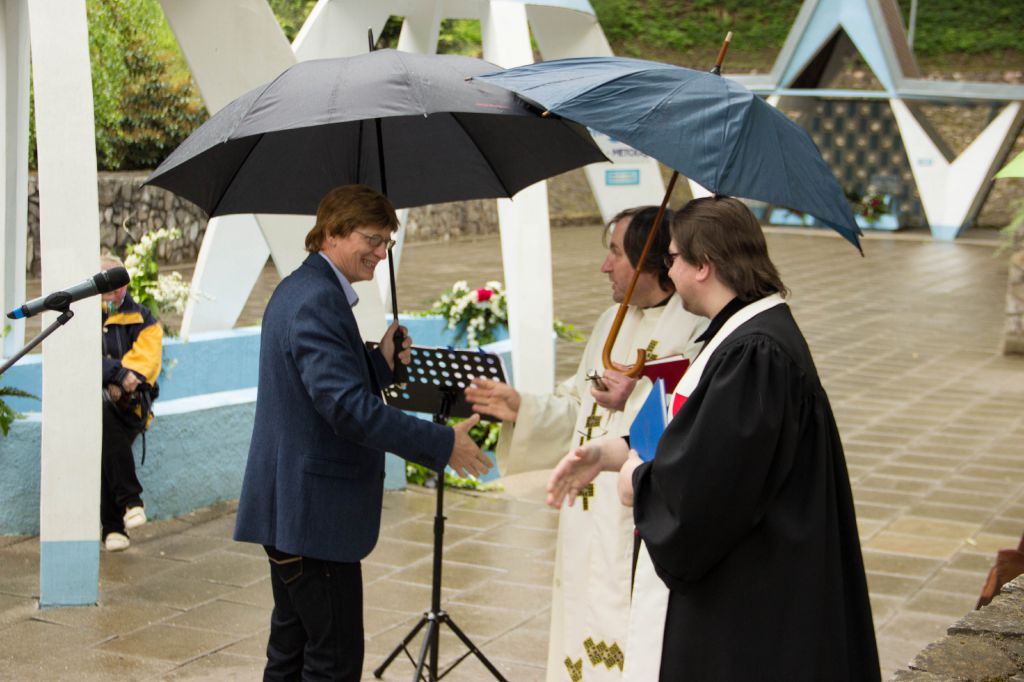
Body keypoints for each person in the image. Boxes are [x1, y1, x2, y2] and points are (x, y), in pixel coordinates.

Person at [547, 196, 880, 681]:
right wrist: (607, 453)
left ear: (703, 266)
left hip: (752, 591)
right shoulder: (739, 334)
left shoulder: (756, 353)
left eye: (673, 258)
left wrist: (639, 482)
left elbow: (708, 487)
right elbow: (692, 435)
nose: (668, 270)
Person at [233, 184, 492, 681]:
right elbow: (346, 409)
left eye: (387, 242)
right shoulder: (317, 300)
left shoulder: (303, 289)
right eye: (372, 240)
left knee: (291, 652)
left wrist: (380, 363)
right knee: (332, 661)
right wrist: (441, 444)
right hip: (313, 517)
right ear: (331, 233)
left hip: (295, 513)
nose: (380, 253)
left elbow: (320, 389)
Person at [465, 206, 707, 682]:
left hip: (634, 517)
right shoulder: (610, 321)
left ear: (649, 261)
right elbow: (580, 408)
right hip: (587, 517)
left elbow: (693, 427)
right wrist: (523, 407)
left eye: (616, 253)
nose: (604, 266)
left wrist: (636, 395)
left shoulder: (695, 328)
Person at [100, 253, 162, 552]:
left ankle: (114, 525)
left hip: (130, 407)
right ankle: (130, 503)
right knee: (103, 420)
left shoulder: (143, 319)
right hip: (101, 407)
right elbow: (79, 359)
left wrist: (117, 376)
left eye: (116, 284)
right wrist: (117, 373)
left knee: (105, 428)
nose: (112, 291)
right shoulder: (83, 318)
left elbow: (143, 367)